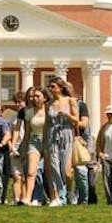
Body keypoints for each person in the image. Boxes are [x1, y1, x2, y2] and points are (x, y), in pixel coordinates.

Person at [45, 77, 79, 206]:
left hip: (66, 133)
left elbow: (76, 120)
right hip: (52, 135)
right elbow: (47, 124)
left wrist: (67, 115)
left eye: (53, 86)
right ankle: (58, 196)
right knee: (54, 167)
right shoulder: (49, 104)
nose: (50, 89)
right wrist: (44, 142)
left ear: (60, 88)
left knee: (66, 171)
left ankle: (70, 191)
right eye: (49, 87)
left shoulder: (70, 101)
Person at [19, 87, 50, 206]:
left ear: (45, 98)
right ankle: (27, 198)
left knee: (49, 172)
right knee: (31, 172)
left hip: (47, 141)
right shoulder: (29, 112)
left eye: (38, 96)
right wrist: (24, 148)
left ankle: (54, 197)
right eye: (34, 96)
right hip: (34, 141)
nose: (35, 99)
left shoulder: (49, 111)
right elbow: (27, 132)